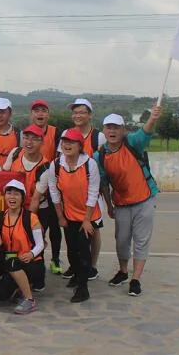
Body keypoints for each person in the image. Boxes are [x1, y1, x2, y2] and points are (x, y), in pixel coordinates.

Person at [97, 108, 161, 297]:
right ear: (104, 130)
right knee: (122, 240)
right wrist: (109, 205)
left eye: (116, 127)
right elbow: (104, 183)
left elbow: (145, 131)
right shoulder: (100, 155)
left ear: (123, 130)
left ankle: (135, 279)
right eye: (109, 127)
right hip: (121, 203)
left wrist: (152, 118)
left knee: (141, 240)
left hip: (145, 198)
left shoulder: (132, 142)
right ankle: (123, 271)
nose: (112, 131)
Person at [49, 128, 101, 303]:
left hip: (88, 216)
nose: (67, 145)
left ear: (80, 146)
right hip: (69, 215)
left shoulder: (89, 165)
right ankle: (77, 275)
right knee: (71, 250)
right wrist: (60, 217)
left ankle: (83, 288)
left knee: (83, 250)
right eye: (65, 142)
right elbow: (54, 191)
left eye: (71, 142)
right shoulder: (56, 165)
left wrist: (87, 220)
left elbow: (93, 193)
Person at [5, 124, 62, 275]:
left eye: (34, 139)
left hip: (36, 210)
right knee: (12, 241)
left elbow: (36, 199)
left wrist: (26, 222)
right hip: (14, 206)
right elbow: (4, 176)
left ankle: (36, 274)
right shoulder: (15, 153)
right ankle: (13, 272)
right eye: (26, 138)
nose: (29, 142)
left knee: (34, 240)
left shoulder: (46, 167)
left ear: (42, 142)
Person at [60, 98, 106, 281]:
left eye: (82, 112)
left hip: (92, 190)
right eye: (75, 112)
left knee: (93, 230)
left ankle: (92, 266)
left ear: (90, 115)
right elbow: (61, 161)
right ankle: (75, 265)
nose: (77, 115)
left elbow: (104, 164)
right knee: (71, 232)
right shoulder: (66, 134)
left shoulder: (98, 137)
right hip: (71, 191)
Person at [0, 180, 44, 315]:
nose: (12, 197)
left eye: (16, 194)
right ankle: (20, 289)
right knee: (1, 294)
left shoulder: (31, 218)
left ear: (22, 198)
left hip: (31, 262)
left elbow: (40, 244)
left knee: (13, 263)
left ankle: (29, 300)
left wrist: (31, 254)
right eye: (9, 193)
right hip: (12, 262)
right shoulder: (0, 217)